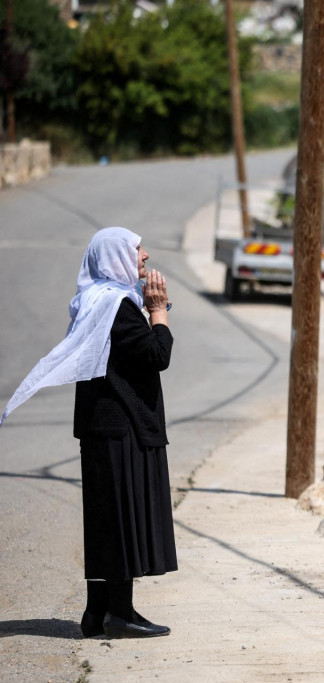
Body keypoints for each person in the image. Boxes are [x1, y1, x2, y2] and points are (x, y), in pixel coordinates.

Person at [0, 227, 177, 639]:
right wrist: (159, 311)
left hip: (101, 427)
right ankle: (121, 613)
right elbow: (157, 356)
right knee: (119, 519)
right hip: (121, 428)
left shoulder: (96, 301)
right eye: (136, 250)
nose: (145, 256)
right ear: (115, 257)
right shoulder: (118, 307)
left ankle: (96, 613)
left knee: (105, 519)